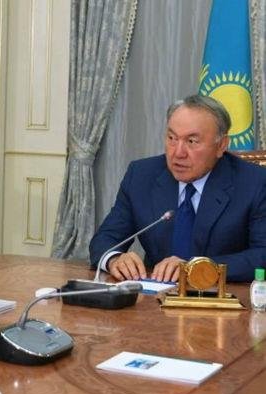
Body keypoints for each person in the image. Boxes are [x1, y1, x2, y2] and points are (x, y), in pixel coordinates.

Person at [89, 94, 266, 283]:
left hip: (223, 296)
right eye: (172, 138)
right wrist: (114, 259)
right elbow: (105, 239)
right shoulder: (141, 176)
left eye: (192, 141)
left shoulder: (254, 182)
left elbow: (262, 255)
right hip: (154, 296)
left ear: (221, 145)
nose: (178, 153)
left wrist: (195, 268)